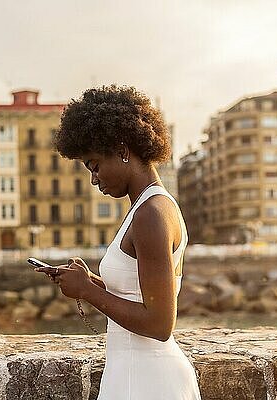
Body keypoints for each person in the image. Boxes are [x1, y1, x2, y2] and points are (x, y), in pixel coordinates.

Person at [33, 85, 202, 399]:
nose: (94, 179)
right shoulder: (146, 207)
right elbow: (138, 290)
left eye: (95, 165)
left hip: (147, 379)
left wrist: (87, 292)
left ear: (123, 151)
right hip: (134, 372)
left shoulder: (151, 213)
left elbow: (159, 323)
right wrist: (88, 281)